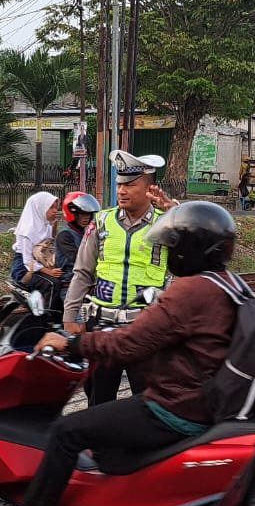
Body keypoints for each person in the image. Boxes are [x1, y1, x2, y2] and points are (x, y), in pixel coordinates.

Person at [0, 202, 239, 506]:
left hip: (175, 407)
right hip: (205, 404)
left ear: (189, 250)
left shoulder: (188, 292)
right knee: (108, 438)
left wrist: (72, 342)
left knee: (68, 431)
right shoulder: (230, 285)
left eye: (174, 245)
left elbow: (127, 343)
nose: (169, 252)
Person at [64, 150, 180, 405]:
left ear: (149, 189)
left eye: (130, 185)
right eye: (119, 185)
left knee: (147, 402)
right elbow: (82, 272)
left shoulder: (166, 224)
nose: (121, 191)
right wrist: (70, 316)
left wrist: (179, 216)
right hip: (102, 326)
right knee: (99, 401)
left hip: (146, 328)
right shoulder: (101, 221)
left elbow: (192, 261)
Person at [11, 191, 63, 292]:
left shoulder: (45, 224)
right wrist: (49, 272)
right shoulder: (28, 231)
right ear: (40, 208)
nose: (55, 211)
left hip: (40, 263)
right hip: (25, 268)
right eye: (51, 207)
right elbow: (28, 260)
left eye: (56, 207)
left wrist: (54, 227)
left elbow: (49, 244)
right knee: (53, 284)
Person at [54, 192, 101, 292]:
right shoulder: (65, 235)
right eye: (82, 214)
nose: (86, 217)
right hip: (69, 285)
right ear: (72, 214)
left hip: (84, 281)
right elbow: (79, 259)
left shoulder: (84, 232)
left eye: (88, 214)